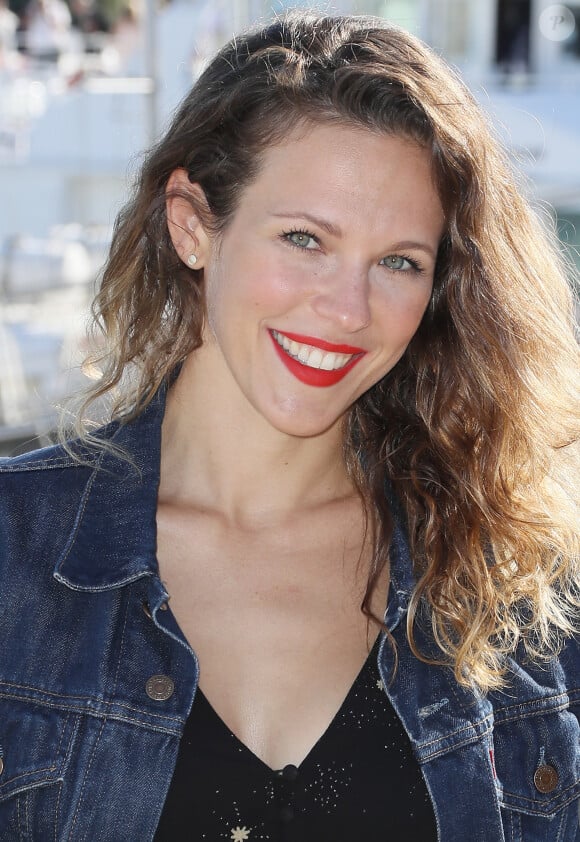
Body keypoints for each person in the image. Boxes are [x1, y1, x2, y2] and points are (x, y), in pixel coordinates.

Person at [0, 11, 578, 842]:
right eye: (305, 239)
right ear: (193, 224)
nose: (348, 310)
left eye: (398, 263)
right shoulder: (15, 553)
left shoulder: (517, 589)